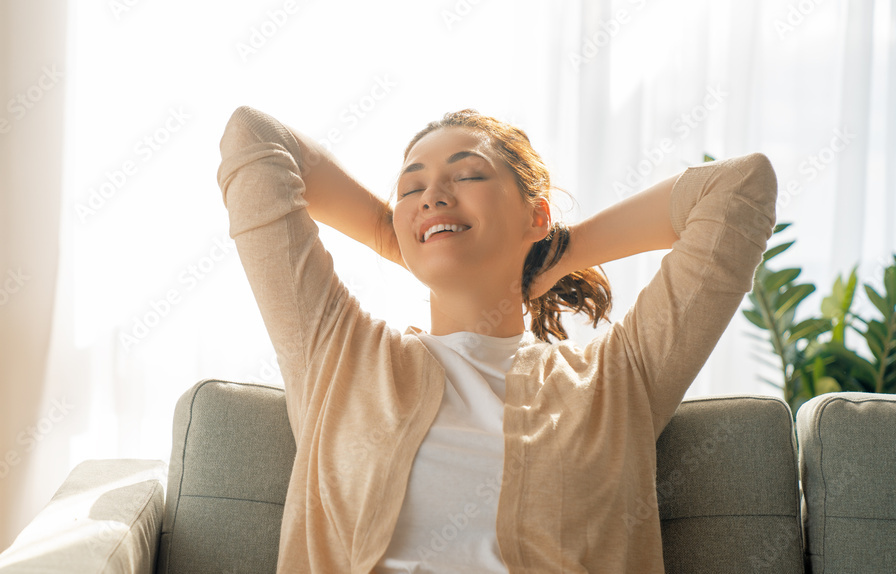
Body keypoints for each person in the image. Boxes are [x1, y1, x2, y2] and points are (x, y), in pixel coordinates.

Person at [216, 105, 777, 573]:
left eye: (466, 175)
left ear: (538, 214)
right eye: (411, 187)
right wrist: (399, 237)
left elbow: (739, 188)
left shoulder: (616, 380)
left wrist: (561, 250)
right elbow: (254, 137)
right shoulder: (337, 353)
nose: (432, 194)